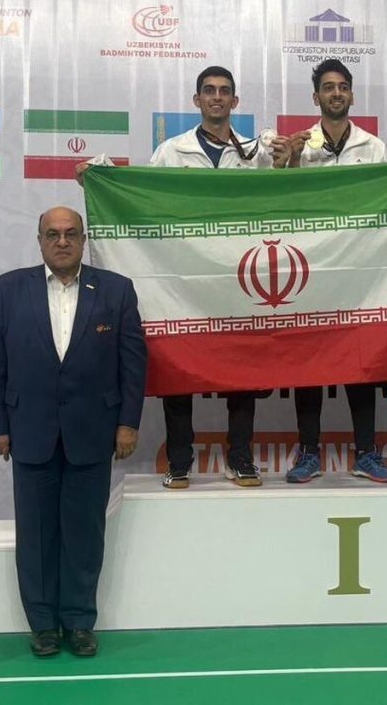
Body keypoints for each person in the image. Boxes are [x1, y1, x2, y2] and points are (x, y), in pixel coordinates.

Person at [0, 206, 147, 658]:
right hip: (28, 431)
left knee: (85, 534)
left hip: (94, 432)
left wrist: (128, 423)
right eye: (52, 234)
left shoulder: (116, 290)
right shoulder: (9, 289)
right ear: (40, 241)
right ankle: (43, 625)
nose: (62, 241)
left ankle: (79, 622)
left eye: (71, 233)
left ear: (84, 239)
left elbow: (133, 366)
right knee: (35, 535)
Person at [149, 66, 275, 489]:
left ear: (235, 102)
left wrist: (284, 160)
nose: (217, 97)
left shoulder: (256, 154)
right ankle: (179, 460)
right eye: (209, 91)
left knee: (241, 368)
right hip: (184, 278)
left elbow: (281, 201)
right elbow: (143, 199)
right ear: (197, 100)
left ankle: (240, 457)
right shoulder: (171, 152)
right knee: (178, 366)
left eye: (224, 92)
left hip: (238, 278)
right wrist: (100, 178)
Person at [273, 58, 387, 484]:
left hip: (360, 272)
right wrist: (290, 163)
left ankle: (366, 452)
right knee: (310, 364)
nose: (336, 93)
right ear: (316, 97)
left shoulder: (373, 147)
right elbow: (284, 204)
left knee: (360, 364)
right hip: (312, 270)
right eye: (328, 87)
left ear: (352, 95)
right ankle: (308, 452)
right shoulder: (300, 146)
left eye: (343, 86)